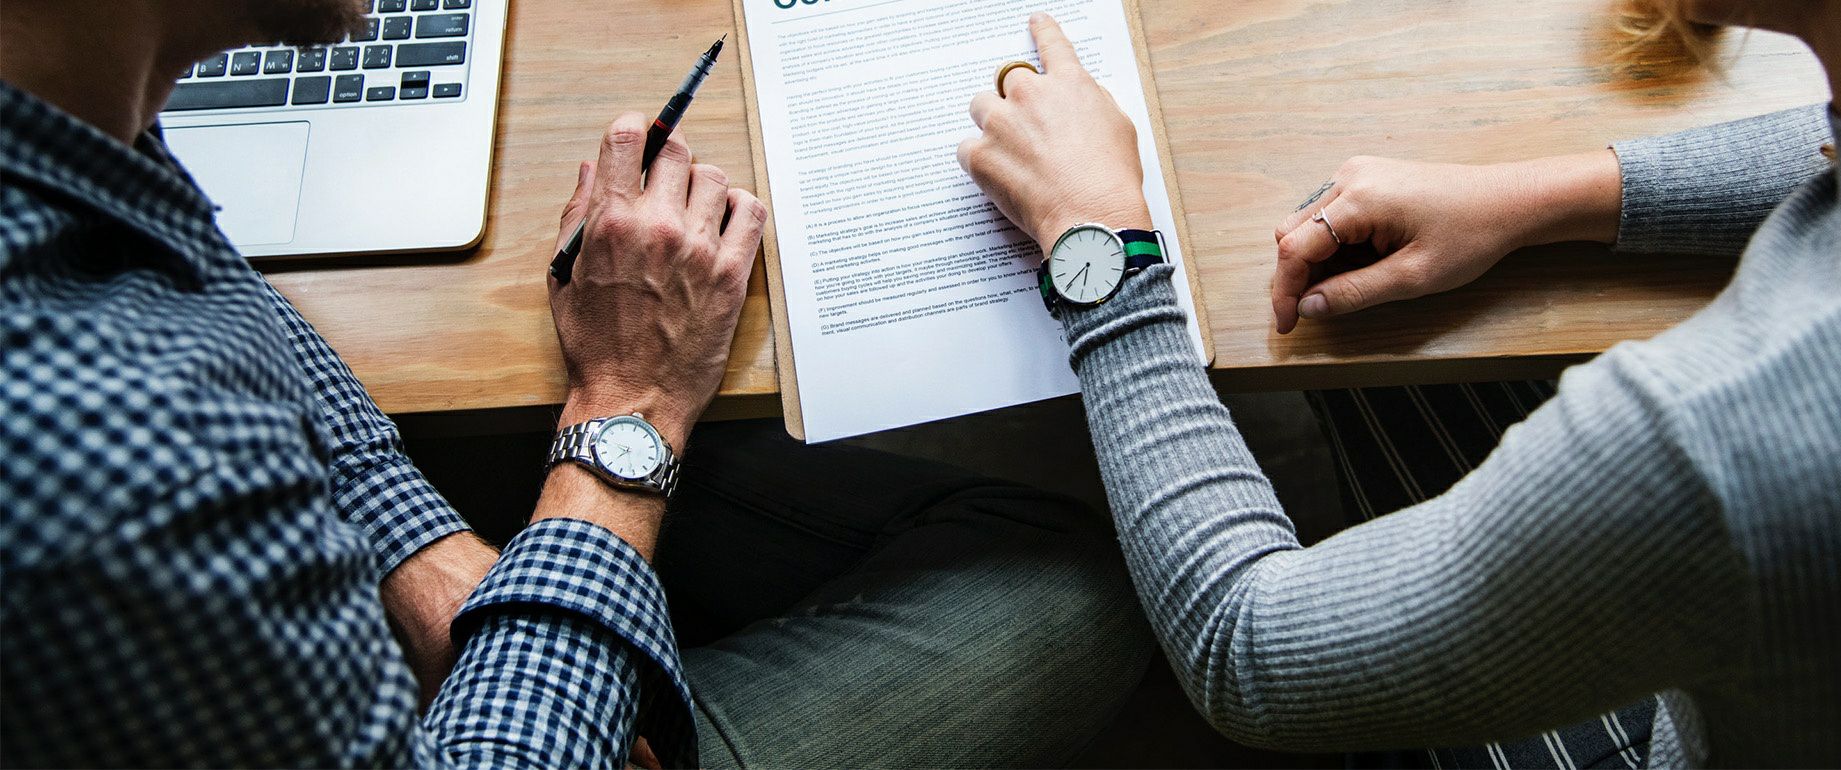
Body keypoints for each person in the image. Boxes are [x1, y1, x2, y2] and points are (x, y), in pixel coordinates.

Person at [0, 1, 1150, 767]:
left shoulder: (58, 106)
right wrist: (627, 406)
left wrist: (421, 549)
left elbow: (187, 281)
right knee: (1074, 582)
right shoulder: (104, 459)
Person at [959, 1, 1841, 766]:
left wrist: (1098, 240)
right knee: (1373, 326)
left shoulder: (1713, 438)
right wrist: (1539, 199)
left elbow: (1246, 654)